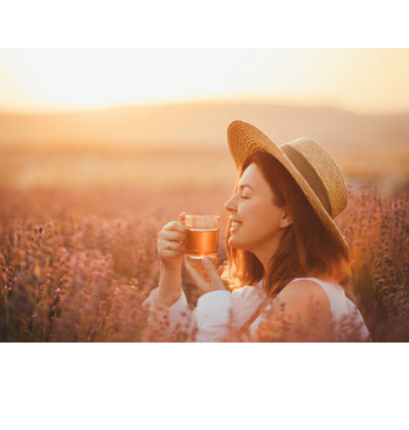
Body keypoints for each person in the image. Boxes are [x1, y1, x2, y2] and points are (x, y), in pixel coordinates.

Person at [142, 120, 370, 342]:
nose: (228, 205)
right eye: (235, 192)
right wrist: (170, 272)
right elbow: (180, 340)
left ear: (287, 215)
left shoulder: (307, 297)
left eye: (246, 195)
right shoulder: (257, 294)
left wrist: (215, 298)